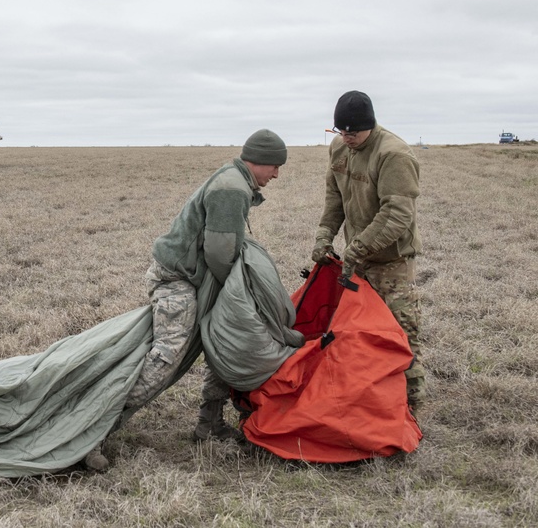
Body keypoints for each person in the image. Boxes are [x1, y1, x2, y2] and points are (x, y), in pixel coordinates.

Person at [84, 129, 288, 473]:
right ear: (261, 161)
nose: (277, 175)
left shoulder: (235, 181)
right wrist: (237, 295)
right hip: (177, 282)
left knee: (225, 341)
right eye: (275, 167)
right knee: (166, 359)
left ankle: (210, 423)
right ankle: (91, 431)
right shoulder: (232, 189)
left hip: (195, 278)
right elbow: (221, 253)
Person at [311, 91, 426, 412]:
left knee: (401, 335)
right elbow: (334, 197)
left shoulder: (393, 155)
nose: (346, 138)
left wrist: (358, 248)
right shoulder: (339, 149)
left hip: (391, 264)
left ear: (370, 126)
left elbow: (397, 215)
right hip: (357, 262)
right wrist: (324, 236)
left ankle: (410, 409)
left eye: (353, 132)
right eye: (340, 131)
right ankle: (369, 405)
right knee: (358, 335)